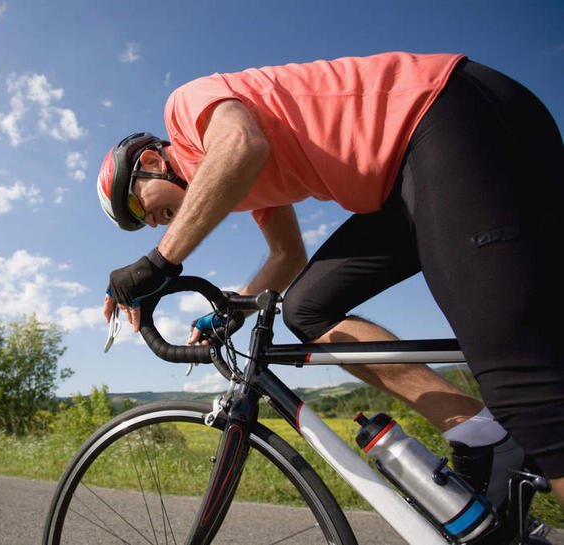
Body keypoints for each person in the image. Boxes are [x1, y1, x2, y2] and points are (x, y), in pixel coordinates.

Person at [97, 52, 564, 509]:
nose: (151, 223)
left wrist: (156, 264)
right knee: (307, 307)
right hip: (400, 185)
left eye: (135, 206)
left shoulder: (187, 110)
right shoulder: (247, 186)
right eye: (139, 224)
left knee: (520, 381)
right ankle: (479, 434)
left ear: (151, 162)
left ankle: (517, 430)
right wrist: (228, 308)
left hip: (439, 113)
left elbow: (240, 146)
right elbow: (288, 255)